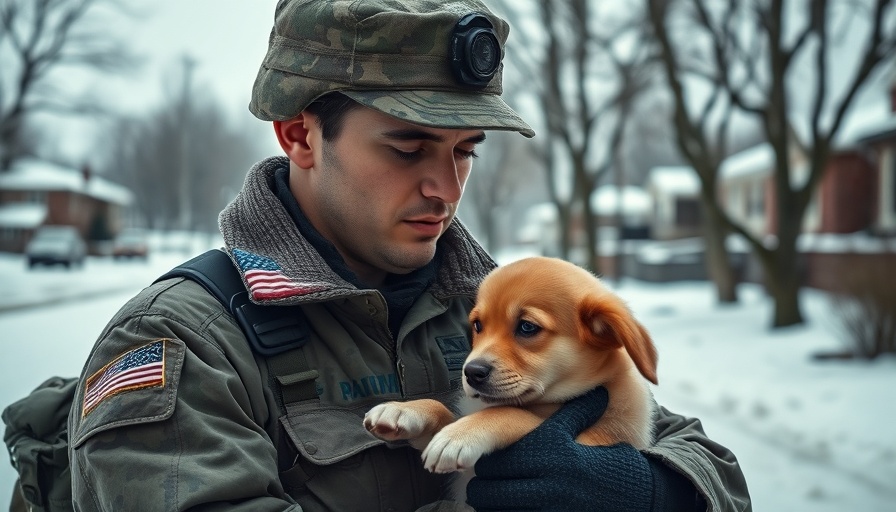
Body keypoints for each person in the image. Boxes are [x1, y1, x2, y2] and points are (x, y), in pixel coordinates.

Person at [67, 0, 751, 511]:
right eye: (408, 148)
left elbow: (708, 466)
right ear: (300, 136)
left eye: (465, 153)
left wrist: (650, 493)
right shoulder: (183, 339)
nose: (444, 189)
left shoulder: (492, 303)